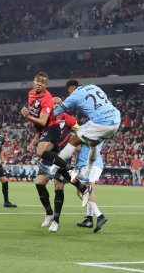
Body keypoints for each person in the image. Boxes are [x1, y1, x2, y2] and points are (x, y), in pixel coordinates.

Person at [40, 80, 121, 192]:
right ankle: (86, 173)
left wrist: (45, 119)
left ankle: (52, 170)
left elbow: (59, 110)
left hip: (101, 122)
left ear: (69, 89)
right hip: (116, 120)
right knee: (94, 144)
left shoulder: (74, 95)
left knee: (73, 141)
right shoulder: (93, 86)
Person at [32, 96, 79, 232]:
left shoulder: (68, 118)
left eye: (59, 104)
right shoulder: (46, 119)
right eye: (54, 103)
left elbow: (80, 131)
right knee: (39, 183)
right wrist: (32, 143)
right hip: (49, 155)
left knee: (59, 187)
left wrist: (76, 144)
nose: (56, 105)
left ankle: (56, 221)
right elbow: (39, 135)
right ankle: (48, 213)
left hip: (63, 156)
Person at [76, 143, 108, 233]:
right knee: (79, 192)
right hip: (83, 164)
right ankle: (89, 219)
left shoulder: (91, 131)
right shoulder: (82, 131)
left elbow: (79, 146)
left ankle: (100, 216)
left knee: (89, 189)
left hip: (92, 163)